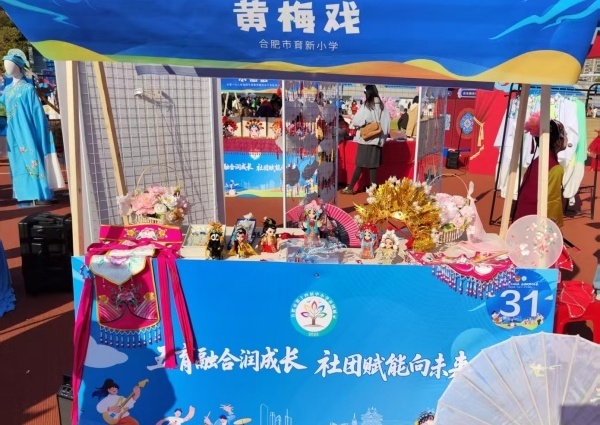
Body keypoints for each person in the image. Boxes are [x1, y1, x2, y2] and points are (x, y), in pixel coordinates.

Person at [0, 49, 65, 203]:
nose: (7, 67)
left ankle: (40, 192)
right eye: (5, 64)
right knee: (17, 161)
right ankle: (23, 193)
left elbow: (37, 113)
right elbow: (3, 110)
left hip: (27, 129)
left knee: (32, 157)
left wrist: (41, 131)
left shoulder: (28, 89)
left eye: (10, 64)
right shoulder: (7, 91)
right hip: (12, 131)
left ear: (18, 66)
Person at [513, 114, 568, 227]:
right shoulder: (556, 168)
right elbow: (552, 201)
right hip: (536, 224)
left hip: (521, 220)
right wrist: (554, 226)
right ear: (558, 142)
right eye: (565, 135)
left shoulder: (536, 161)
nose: (567, 138)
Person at [341, 85, 391, 194]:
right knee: (373, 167)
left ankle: (350, 188)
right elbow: (387, 125)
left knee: (359, 165)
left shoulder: (367, 105)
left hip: (366, 139)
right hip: (377, 140)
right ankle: (374, 191)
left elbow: (357, 121)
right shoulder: (382, 106)